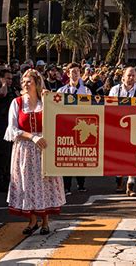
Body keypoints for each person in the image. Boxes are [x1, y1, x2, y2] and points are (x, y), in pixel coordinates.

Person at [4, 69, 65, 235]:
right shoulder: (16, 102)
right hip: (25, 150)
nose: (25, 84)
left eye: (28, 81)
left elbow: (60, 116)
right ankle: (32, 220)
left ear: (37, 83)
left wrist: (50, 98)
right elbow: (12, 129)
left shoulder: (45, 101)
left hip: (44, 148)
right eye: (23, 81)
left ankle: (45, 221)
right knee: (27, 183)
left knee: (44, 183)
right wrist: (32, 137)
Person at [109, 67, 136, 197]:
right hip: (117, 128)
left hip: (134, 128)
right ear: (123, 77)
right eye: (129, 75)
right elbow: (108, 108)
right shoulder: (115, 90)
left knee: (132, 157)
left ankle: (130, 185)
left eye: (134, 75)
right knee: (119, 156)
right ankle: (118, 180)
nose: (132, 78)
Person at [57, 63, 91, 195]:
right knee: (67, 157)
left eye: (77, 71)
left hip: (82, 127)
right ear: (68, 73)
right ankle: (66, 186)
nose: (75, 74)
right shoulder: (61, 91)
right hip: (66, 128)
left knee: (81, 157)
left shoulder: (86, 91)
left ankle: (81, 184)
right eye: (72, 71)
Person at [0, 69, 19, 192]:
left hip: (11, 127)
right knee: (2, 155)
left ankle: (8, 178)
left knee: (10, 155)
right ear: (1, 78)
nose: (10, 81)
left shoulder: (13, 89)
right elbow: (1, 95)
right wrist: (3, 84)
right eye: (7, 78)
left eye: (11, 79)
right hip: (1, 127)